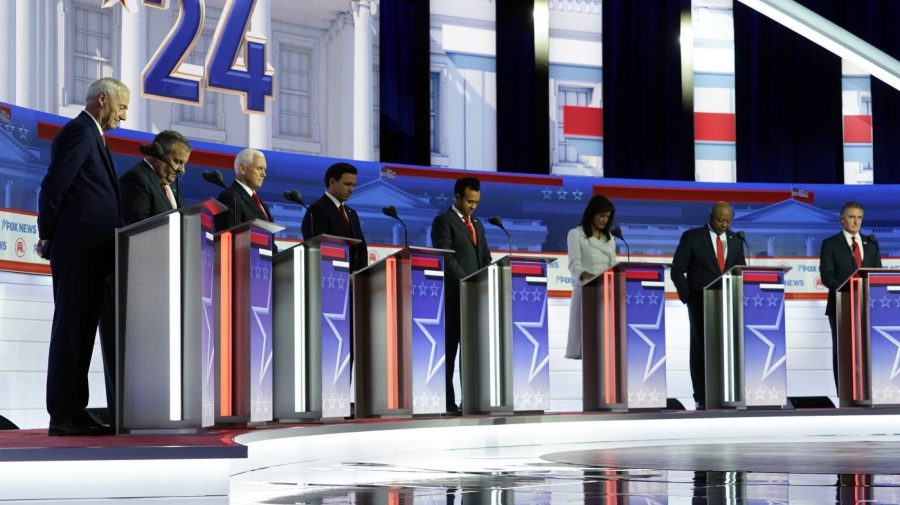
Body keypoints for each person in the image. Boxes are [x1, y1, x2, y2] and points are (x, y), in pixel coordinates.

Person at [37, 77, 130, 436]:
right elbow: (54, 186)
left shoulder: (95, 137)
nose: (123, 116)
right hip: (78, 252)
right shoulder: (79, 132)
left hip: (94, 255)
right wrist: (48, 234)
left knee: (81, 333)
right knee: (71, 333)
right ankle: (63, 415)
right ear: (102, 99)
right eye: (121, 107)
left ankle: (73, 409)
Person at [671, 201, 746, 410]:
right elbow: (677, 270)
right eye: (721, 220)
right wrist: (688, 297)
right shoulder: (692, 237)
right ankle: (701, 396)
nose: (725, 225)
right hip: (700, 301)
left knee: (729, 348)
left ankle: (727, 393)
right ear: (711, 217)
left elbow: (741, 270)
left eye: (728, 221)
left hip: (729, 303)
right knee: (700, 348)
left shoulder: (736, 240)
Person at [430, 176, 492, 414]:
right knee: (449, 354)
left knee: (474, 353)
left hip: (476, 298)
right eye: (469, 201)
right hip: (454, 298)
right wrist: (467, 280)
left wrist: (485, 277)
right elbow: (446, 258)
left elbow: (484, 255)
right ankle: (447, 403)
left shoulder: (477, 223)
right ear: (457, 197)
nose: (473, 206)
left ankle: (473, 400)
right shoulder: (443, 221)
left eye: (476, 202)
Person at [819, 201, 882, 391]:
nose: (856, 222)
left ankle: (867, 391)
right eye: (851, 217)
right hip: (841, 306)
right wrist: (847, 291)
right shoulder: (830, 244)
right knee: (843, 351)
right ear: (842, 220)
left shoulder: (870, 244)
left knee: (867, 350)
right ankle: (844, 394)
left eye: (859, 218)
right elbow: (826, 276)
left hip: (866, 306)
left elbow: (877, 273)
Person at [565, 194, 618, 359]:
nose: (604, 220)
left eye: (607, 217)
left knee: (605, 348)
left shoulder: (610, 239)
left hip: (607, 294)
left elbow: (613, 265)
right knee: (589, 346)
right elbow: (575, 265)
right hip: (587, 292)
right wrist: (591, 277)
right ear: (592, 213)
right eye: (601, 216)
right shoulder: (576, 234)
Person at [301, 162, 369, 272]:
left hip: (354, 283)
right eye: (347, 184)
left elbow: (361, 250)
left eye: (353, 185)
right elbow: (319, 251)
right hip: (332, 280)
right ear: (332, 181)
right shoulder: (317, 210)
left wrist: (360, 275)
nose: (351, 189)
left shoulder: (352, 213)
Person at [119, 130, 191, 225]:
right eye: (178, 162)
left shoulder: (171, 186)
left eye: (184, 164)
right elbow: (138, 230)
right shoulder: (136, 180)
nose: (182, 170)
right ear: (158, 154)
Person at [215, 148, 272, 230]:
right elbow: (229, 237)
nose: (264, 174)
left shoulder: (261, 204)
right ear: (243, 169)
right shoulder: (229, 198)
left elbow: (268, 239)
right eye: (259, 168)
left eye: (264, 169)